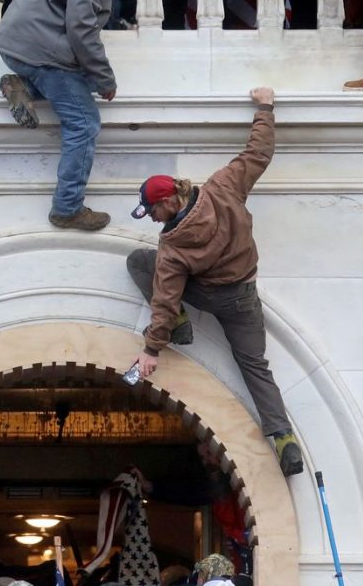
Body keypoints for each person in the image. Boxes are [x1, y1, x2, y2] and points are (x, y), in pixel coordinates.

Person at [125, 87, 303, 477]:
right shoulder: (223, 187)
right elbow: (258, 154)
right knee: (254, 366)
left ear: (169, 202)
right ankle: (283, 436)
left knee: (139, 262)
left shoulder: (171, 248)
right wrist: (265, 108)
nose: (152, 217)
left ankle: (181, 327)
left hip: (207, 294)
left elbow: (165, 298)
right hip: (243, 297)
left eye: (152, 210)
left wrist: (152, 349)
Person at [0, 0, 139, 232]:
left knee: (77, 81)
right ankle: (67, 207)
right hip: (43, 52)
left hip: (17, 47)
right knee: (85, 122)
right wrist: (105, 80)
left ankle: (24, 86)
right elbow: (82, 31)